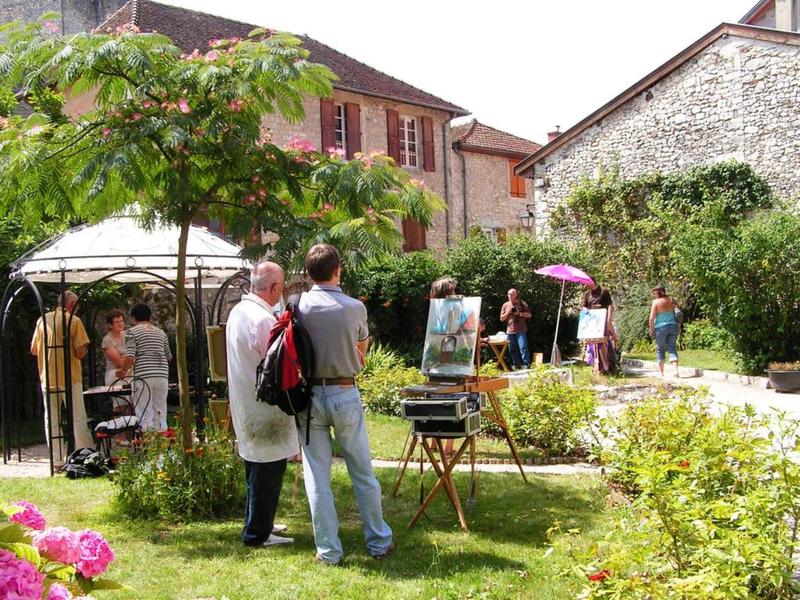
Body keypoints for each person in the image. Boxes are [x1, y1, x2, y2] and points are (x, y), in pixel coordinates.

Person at [297, 244, 394, 565]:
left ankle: (328, 551)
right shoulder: (354, 307)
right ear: (338, 269)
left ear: (309, 272)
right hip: (343, 391)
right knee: (362, 472)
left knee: (317, 476)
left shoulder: (296, 306)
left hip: (308, 397)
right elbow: (361, 353)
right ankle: (378, 541)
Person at [226, 260, 297, 548]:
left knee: (257, 467)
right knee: (267, 470)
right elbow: (278, 365)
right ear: (275, 288)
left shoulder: (239, 311)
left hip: (247, 403)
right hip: (264, 407)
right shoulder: (262, 319)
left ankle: (260, 521)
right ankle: (258, 532)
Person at [29, 290, 94, 460]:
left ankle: (56, 459)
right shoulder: (74, 320)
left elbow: (34, 350)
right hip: (70, 376)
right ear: (71, 304)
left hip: (48, 376)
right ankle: (85, 454)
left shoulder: (42, 320)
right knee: (78, 417)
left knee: (52, 419)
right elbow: (80, 352)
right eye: (77, 305)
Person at [124, 304, 172, 431]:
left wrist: (123, 370)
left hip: (143, 376)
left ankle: (149, 446)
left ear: (133, 318)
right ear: (150, 317)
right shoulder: (161, 333)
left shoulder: (131, 332)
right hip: (162, 374)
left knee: (144, 412)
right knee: (160, 412)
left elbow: (130, 356)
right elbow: (169, 356)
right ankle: (161, 445)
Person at [582, 282, 617, 374]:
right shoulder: (587, 294)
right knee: (592, 343)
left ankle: (605, 366)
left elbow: (610, 305)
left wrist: (609, 319)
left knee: (602, 342)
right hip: (592, 321)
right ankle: (596, 366)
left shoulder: (603, 291)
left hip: (602, 320)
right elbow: (585, 307)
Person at [649, 284, 680, 378]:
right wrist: (679, 327)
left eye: (654, 293)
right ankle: (676, 371)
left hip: (661, 328)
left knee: (660, 349)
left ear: (657, 293)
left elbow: (651, 318)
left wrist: (651, 329)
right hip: (673, 326)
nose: (653, 295)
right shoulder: (671, 300)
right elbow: (678, 314)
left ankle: (661, 373)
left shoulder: (656, 302)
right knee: (672, 348)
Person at [499, 288, 532, 369]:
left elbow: (529, 315)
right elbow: (501, 318)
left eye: (512, 294)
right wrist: (508, 312)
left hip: (521, 329)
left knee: (523, 347)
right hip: (510, 330)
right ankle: (517, 365)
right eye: (509, 294)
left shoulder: (522, 303)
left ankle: (526, 365)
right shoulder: (505, 305)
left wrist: (519, 313)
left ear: (516, 295)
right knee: (512, 349)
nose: (510, 296)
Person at [102, 310, 129, 386]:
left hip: (129, 373)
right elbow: (119, 362)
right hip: (114, 374)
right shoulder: (107, 340)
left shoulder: (127, 335)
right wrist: (130, 358)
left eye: (121, 321)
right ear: (110, 325)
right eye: (117, 322)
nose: (120, 324)